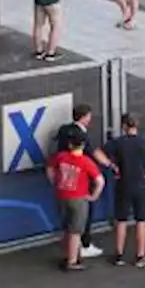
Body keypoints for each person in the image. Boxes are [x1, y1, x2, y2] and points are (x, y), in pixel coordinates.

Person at [102, 114, 145, 268]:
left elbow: (98, 153)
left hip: (123, 185)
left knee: (121, 220)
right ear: (136, 126)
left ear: (124, 126)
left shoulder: (117, 143)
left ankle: (118, 255)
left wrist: (111, 165)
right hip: (141, 185)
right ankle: (140, 255)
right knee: (141, 221)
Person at [54, 103, 114, 261]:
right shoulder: (84, 150)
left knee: (68, 224)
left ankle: (71, 252)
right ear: (83, 117)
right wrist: (109, 164)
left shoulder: (63, 131)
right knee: (81, 219)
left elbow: (52, 163)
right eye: (88, 116)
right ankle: (83, 247)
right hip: (80, 186)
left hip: (64, 184)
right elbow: (96, 160)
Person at [47, 125, 102, 272]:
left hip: (62, 195)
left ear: (70, 144)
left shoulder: (61, 157)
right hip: (79, 198)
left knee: (67, 228)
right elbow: (100, 181)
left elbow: (50, 168)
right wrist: (93, 196)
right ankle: (72, 261)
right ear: (83, 145)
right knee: (76, 231)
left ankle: (69, 255)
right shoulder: (86, 162)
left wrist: (55, 183)